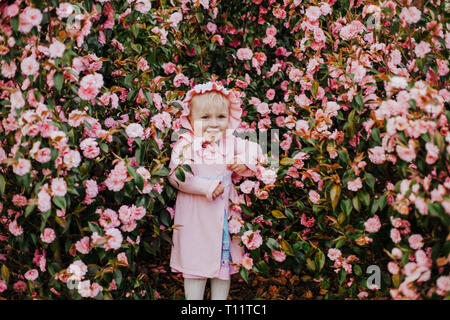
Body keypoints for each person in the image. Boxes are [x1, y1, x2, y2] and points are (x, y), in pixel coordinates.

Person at [168, 81, 264, 300]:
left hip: (226, 211)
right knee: (196, 263)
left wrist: (245, 161)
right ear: (190, 120)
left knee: (224, 265)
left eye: (220, 117)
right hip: (197, 212)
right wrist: (206, 187)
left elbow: (255, 150)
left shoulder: (231, 141)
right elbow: (176, 176)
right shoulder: (186, 144)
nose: (214, 124)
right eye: (205, 118)